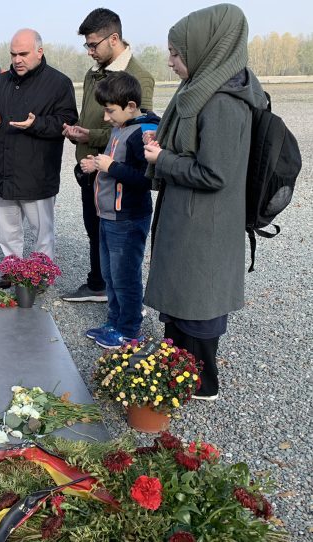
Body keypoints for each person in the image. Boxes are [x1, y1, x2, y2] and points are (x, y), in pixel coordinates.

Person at [143, 3, 267, 400]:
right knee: (182, 303)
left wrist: (163, 160)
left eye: (176, 53)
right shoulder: (202, 89)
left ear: (204, 48)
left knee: (197, 304)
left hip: (207, 226)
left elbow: (216, 173)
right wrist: (163, 149)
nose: (170, 62)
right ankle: (176, 375)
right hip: (191, 219)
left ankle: (199, 385)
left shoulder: (225, 100)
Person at [62, 8, 155, 303]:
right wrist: (79, 130)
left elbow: (138, 129)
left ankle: (117, 298)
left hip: (116, 174)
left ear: (113, 39)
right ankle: (100, 285)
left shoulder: (139, 77)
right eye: (86, 45)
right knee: (95, 229)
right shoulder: (94, 73)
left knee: (116, 241)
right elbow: (93, 116)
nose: (89, 52)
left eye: (93, 45)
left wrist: (91, 136)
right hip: (90, 167)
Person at [0, 29, 78, 289]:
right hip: (4, 170)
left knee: (42, 231)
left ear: (39, 52)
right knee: (8, 231)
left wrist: (37, 124)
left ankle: (41, 275)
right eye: (13, 54)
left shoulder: (59, 82)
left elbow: (67, 122)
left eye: (23, 54)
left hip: (37, 171)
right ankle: (12, 270)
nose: (17, 59)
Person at [79, 72, 159, 348]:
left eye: (110, 110)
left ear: (131, 106)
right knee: (111, 275)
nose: (105, 117)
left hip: (127, 218)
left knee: (125, 277)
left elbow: (147, 178)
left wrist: (110, 167)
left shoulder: (143, 132)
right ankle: (114, 322)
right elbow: (117, 164)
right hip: (108, 215)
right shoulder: (121, 126)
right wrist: (96, 165)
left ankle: (129, 332)